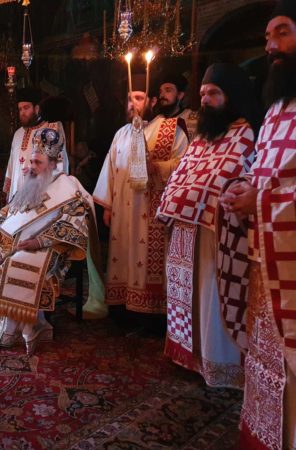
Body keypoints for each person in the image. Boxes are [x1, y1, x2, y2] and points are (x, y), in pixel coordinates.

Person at [218, 2, 296, 447]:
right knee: (268, 363)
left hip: (291, 265)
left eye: (282, 32)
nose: (270, 46)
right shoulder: (278, 109)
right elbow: (266, 170)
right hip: (268, 263)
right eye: (267, 37)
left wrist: (259, 200)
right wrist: (243, 188)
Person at [157, 63, 259, 388]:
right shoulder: (202, 137)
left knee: (212, 298)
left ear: (232, 96)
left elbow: (241, 178)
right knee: (188, 295)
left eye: (213, 93)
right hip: (187, 230)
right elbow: (181, 177)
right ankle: (188, 354)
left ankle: (219, 363)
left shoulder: (247, 133)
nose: (205, 100)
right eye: (202, 94)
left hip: (220, 236)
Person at [0, 127, 97, 354]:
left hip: (50, 248)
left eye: (38, 162)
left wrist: (40, 242)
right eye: (31, 161)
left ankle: (24, 329)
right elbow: (7, 211)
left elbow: (75, 224)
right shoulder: (30, 182)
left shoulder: (68, 187)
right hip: (14, 243)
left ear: (53, 164)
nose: (31, 167)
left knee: (15, 266)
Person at [93, 73, 189, 325]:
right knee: (122, 256)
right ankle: (122, 309)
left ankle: (150, 315)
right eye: (128, 98)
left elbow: (185, 164)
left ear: (152, 101)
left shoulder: (170, 129)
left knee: (147, 262)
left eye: (137, 98)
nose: (131, 104)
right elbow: (111, 170)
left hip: (151, 213)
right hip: (122, 213)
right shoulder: (121, 134)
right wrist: (107, 207)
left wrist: (156, 167)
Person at [3, 87, 69, 202]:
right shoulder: (18, 134)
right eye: (20, 109)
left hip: (41, 196)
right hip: (17, 196)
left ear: (37, 108)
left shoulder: (51, 129)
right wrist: (8, 192)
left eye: (26, 108)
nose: (22, 113)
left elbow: (59, 164)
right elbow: (11, 164)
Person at [156, 72, 199, 140]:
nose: (161, 96)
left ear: (180, 95)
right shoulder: (157, 120)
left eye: (168, 90)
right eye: (160, 92)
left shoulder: (193, 118)